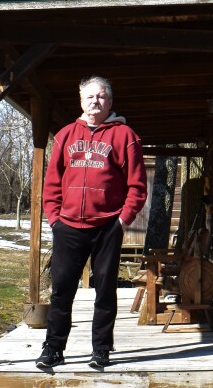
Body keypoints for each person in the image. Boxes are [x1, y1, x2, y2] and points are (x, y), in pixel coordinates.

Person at [37, 76, 147, 371]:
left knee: (105, 289)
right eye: (89, 97)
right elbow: (51, 184)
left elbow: (137, 186)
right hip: (68, 226)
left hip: (107, 226)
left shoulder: (125, 136)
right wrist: (54, 220)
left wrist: (122, 221)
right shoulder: (65, 135)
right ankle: (53, 348)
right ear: (81, 101)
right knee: (61, 289)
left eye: (101, 97)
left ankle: (101, 349)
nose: (94, 102)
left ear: (110, 102)